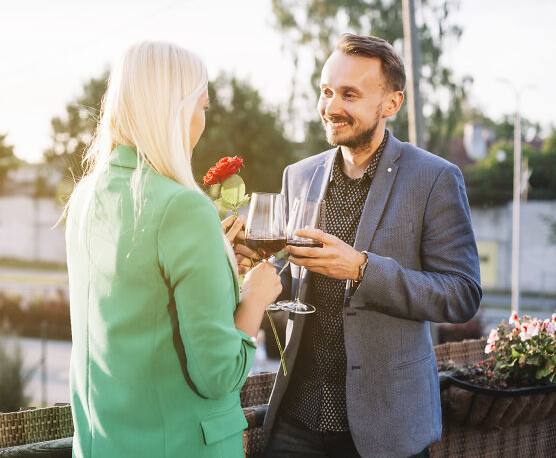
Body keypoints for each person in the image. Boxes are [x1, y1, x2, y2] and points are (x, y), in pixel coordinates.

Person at [236, 34, 482, 457]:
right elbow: (296, 282)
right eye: (326, 91)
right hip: (297, 420)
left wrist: (364, 270)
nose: (331, 107)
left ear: (391, 104)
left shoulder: (435, 179)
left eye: (349, 94)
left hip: (387, 428)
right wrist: (251, 269)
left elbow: (461, 295)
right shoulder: (298, 175)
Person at [64, 41, 282, 458]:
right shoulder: (183, 206)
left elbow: (139, 308)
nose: (203, 119)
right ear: (175, 110)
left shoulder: (86, 197)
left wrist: (219, 265)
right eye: (201, 106)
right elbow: (218, 375)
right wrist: (254, 296)